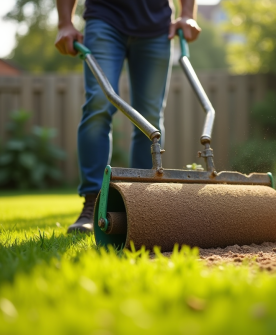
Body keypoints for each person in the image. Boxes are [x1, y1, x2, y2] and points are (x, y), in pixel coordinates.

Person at [55, 0, 201, 233]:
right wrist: (65, 23)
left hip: (156, 26)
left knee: (150, 118)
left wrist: (187, 14)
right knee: (99, 104)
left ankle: (142, 204)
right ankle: (94, 203)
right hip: (104, 17)